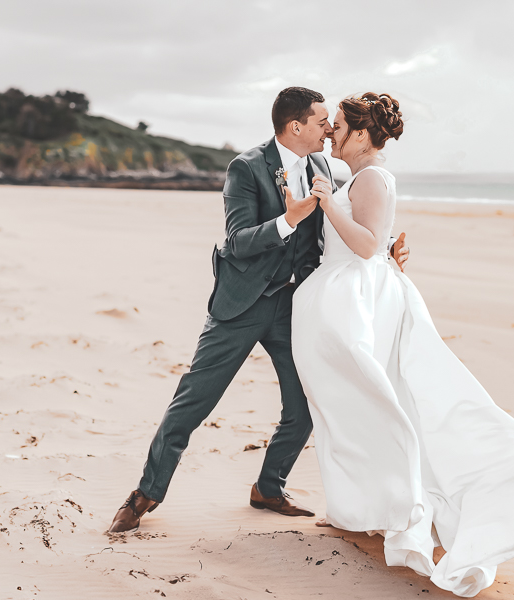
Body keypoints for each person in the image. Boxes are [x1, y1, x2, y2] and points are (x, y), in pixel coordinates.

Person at [292, 92, 514, 598]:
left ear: (361, 135)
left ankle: (396, 505)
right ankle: (363, 506)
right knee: (355, 407)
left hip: (363, 300)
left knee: (379, 404)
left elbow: (364, 245)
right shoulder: (359, 177)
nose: (332, 133)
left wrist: (325, 202)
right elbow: (374, 242)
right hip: (353, 293)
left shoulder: (373, 177)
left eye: (338, 126)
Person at [108, 87, 410, 534]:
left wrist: (387, 251)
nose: (329, 128)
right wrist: (287, 220)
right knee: (193, 402)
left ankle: (269, 487)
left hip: (296, 308)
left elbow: (355, 218)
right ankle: (144, 495)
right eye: (322, 120)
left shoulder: (326, 166)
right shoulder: (246, 167)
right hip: (241, 303)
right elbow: (236, 240)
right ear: (296, 126)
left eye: (333, 122)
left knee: (305, 406)